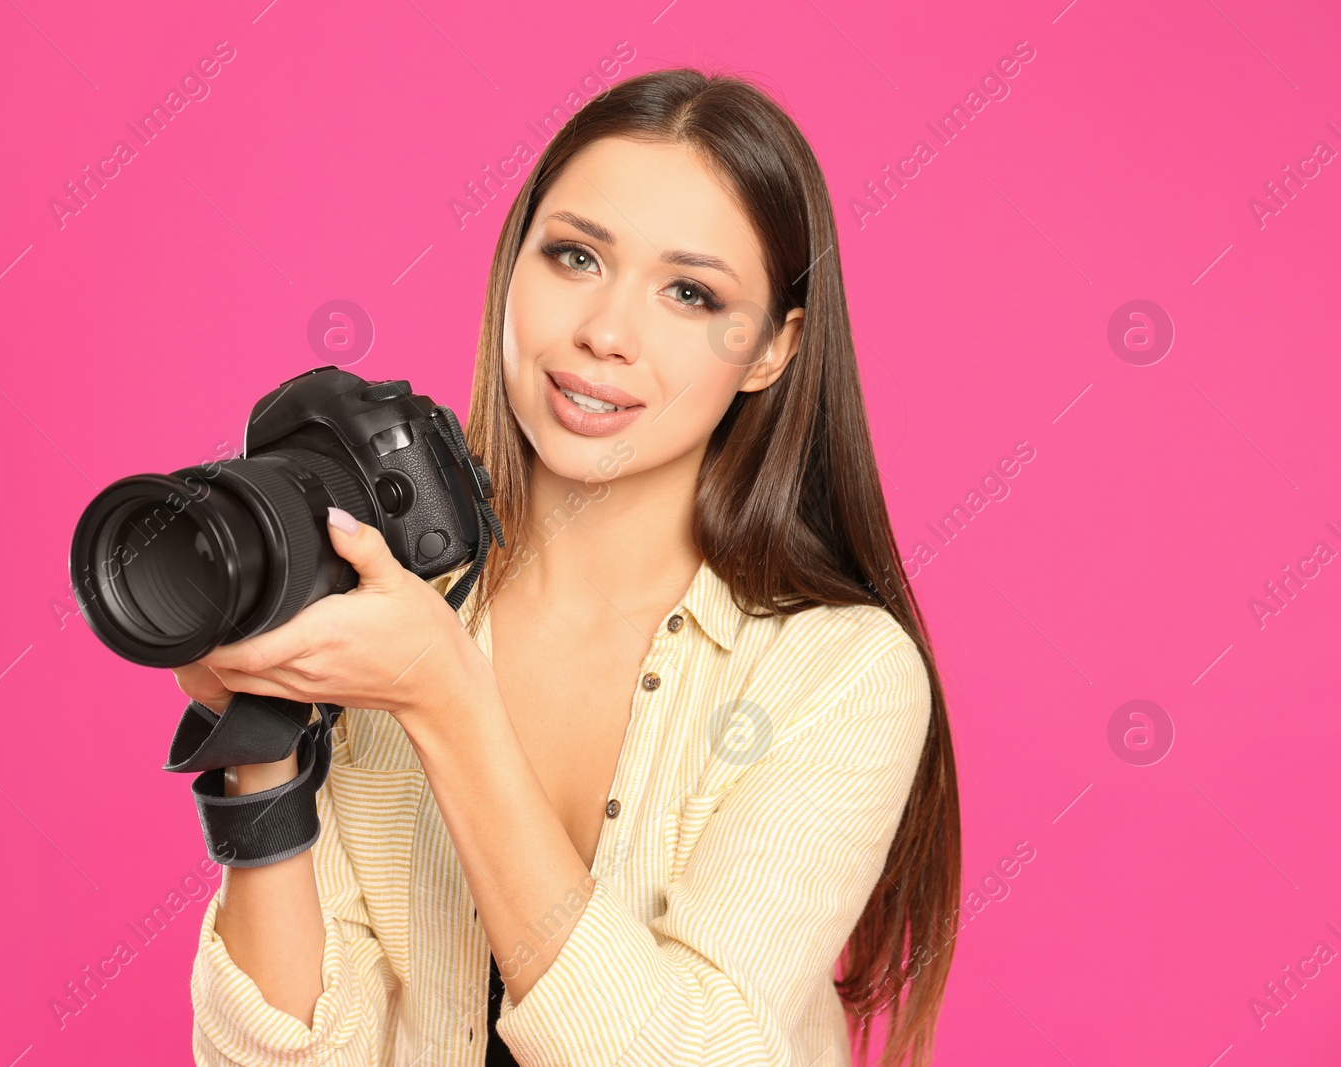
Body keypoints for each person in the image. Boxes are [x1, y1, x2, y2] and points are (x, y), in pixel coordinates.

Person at [173, 66, 960, 1067]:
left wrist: (447, 702)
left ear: (771, 348)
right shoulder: (381, 609)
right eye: (574, 255)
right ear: (513, 263)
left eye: (689, 292)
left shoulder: (837, 671)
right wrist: (264, 743)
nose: (605, 332)